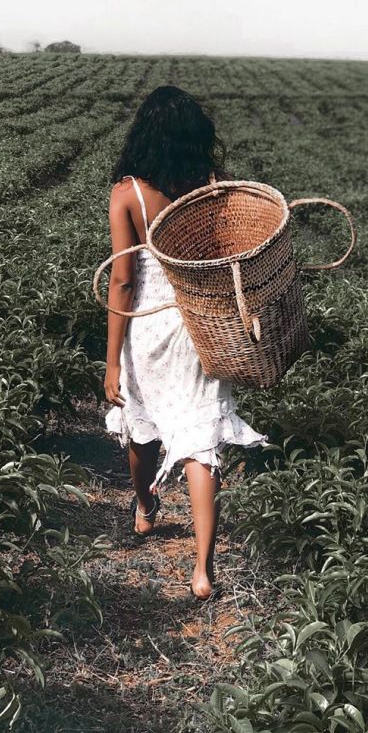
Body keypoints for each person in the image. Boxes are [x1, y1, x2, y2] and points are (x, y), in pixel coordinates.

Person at [103, 85, 268, 600]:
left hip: (147, 324)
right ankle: (202, 569)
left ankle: (145, 508)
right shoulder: (209, 187)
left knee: (141, 425)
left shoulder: (127, 194)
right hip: (200, 323)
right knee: (201, 438)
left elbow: (122, 281)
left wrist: (112, 361)